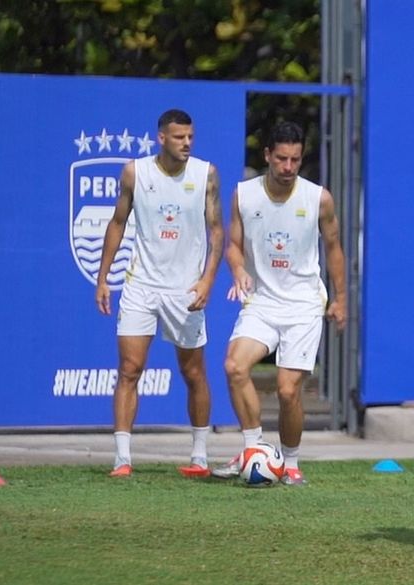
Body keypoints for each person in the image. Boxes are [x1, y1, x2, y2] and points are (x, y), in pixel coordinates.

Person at [210, 121, 347, 486]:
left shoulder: (318, 198)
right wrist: (238, 269)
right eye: (282, 159)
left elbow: (334, 248)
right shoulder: (244, 194)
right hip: (262, 302)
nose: (288, 167)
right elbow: (233, 245)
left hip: (303, 305)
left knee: (288, 391)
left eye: (295, 160)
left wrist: (341, 299)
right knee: (234, 367)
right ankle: (253, 451)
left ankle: (292, 463)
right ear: (268, 155)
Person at [96, 109, 223, 478]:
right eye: (179, 137)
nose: (187, 143)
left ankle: (199, 455)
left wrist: (207, 281)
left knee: (193, 371)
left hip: (185, 290)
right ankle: (122, 459)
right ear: (161, 138)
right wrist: (103, 278)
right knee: (129, 369)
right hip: (141, 285)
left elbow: (217, 231)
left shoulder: (206, 174)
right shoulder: (135, 172)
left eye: (191, 137)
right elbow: (118, 222)